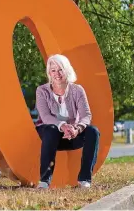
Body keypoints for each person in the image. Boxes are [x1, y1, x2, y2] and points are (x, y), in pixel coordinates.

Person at [35, 54, 100, 189]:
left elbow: (86, 115)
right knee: (52, 129)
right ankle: (44, 181)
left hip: (70, 134)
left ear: (67, 70)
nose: (57, 74)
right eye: (53, 70)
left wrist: (77, 129)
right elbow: (45, 116)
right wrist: (62, 125)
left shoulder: (77, 90)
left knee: (93, 131)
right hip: (48, 132)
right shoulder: (42, 90)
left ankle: (84, 180)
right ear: (49, 73)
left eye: (60, 70)